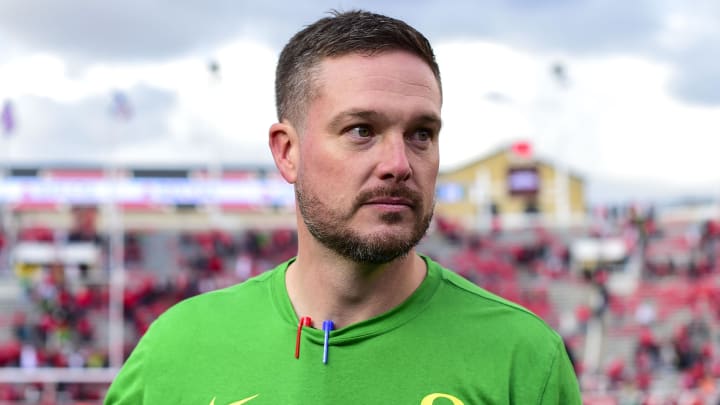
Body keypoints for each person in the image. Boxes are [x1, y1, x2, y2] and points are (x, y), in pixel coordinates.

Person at [105, 10, 581, 404]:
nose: (398, 164)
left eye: (421, 134)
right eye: (361, 130)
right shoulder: (177, 350)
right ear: (288, 152)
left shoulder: (524, 358)